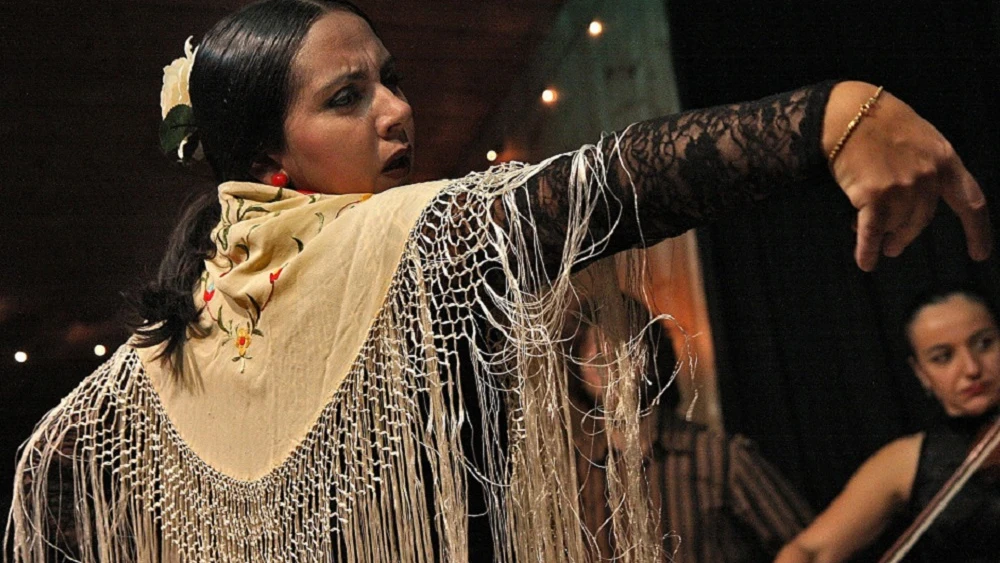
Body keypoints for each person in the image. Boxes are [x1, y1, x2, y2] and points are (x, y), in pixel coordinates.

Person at [5, 0, 992, 561]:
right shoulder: (397, 238)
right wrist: (830, 118)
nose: (397, 112)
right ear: (267, 152)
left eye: (390, 79)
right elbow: (597, 188)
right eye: (350, 97)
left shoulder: (118, 397)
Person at [569, 303, 813, 562]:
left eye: (621, 347)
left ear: (649, 355)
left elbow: (809, 545)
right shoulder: (573, 475)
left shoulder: (721, 458)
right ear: (579, 372)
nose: (611, 366)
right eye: (596, 357)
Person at [775, 285, 1000, 563]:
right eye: (943, 357)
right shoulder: (903, 461)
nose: (971, 368)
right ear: (922, 373)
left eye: (984, 344)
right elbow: (810, 552)